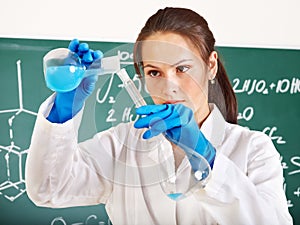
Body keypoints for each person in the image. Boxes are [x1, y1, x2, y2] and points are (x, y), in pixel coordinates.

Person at [25, 7, 293, 225]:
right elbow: (49, 188)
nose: (169, 86)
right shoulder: (121, 145)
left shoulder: (252, 149)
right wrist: (64, 109)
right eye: (154, 72)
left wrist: (205, 156)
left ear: (210, 66)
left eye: (182, 68)